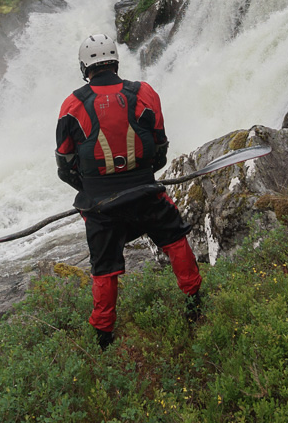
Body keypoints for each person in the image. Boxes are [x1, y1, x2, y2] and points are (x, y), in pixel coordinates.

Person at [55, 33, 203, 350]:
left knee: (104, 268)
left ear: (85, 67)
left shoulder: (72, 105)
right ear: (115, 62)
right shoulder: (144, 93)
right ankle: (194, 302)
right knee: (175, 238)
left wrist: (93, 192)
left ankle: (103, 336)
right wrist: (140, 175)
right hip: (146, 191)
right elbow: (160, 147)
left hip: (100, 205)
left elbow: (65, 165)